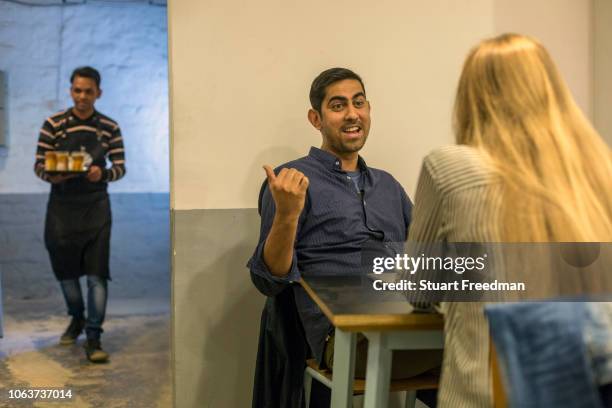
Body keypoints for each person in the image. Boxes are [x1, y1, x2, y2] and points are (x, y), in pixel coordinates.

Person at [402, 33, 612, 407]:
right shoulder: (597, 171)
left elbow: (419, 291)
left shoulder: (450, 167)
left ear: (471, 97)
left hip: (488, 395)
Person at [248, 67, 441, 407]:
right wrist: (288, 213)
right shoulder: (290, 181)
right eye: (338, 106)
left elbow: (425, 257)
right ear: (316, 118)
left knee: (491, 331)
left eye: (359, 103)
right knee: (478, 348)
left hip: (403, 319)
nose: (352, 114)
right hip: (346, 336)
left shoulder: (388, 186)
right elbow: (269, 280)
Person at [34, 66, 126, 363]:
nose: (82, 96)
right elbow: (39, 166)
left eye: (88, 91)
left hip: (96, 209)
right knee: (66, 273)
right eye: (77, 90)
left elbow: (121, 168)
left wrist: (103, 173)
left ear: (98, 93)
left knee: (97, 276)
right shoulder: (53, 124)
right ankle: (76, 317)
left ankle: (94, 337)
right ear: (70, 91)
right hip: (61, 208)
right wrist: (54, 176)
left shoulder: (109, 127)